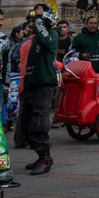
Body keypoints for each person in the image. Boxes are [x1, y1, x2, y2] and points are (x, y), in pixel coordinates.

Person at [19, 9, 61, 175]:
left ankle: (45, 158)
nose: (32, 25)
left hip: (44, 84)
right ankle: (40, 154)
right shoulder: (34, 38)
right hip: (31, 83)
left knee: (39, 122)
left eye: (35, 22)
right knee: (26, 125)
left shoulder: (52, 35)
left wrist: (39, 20)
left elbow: (45, 39)